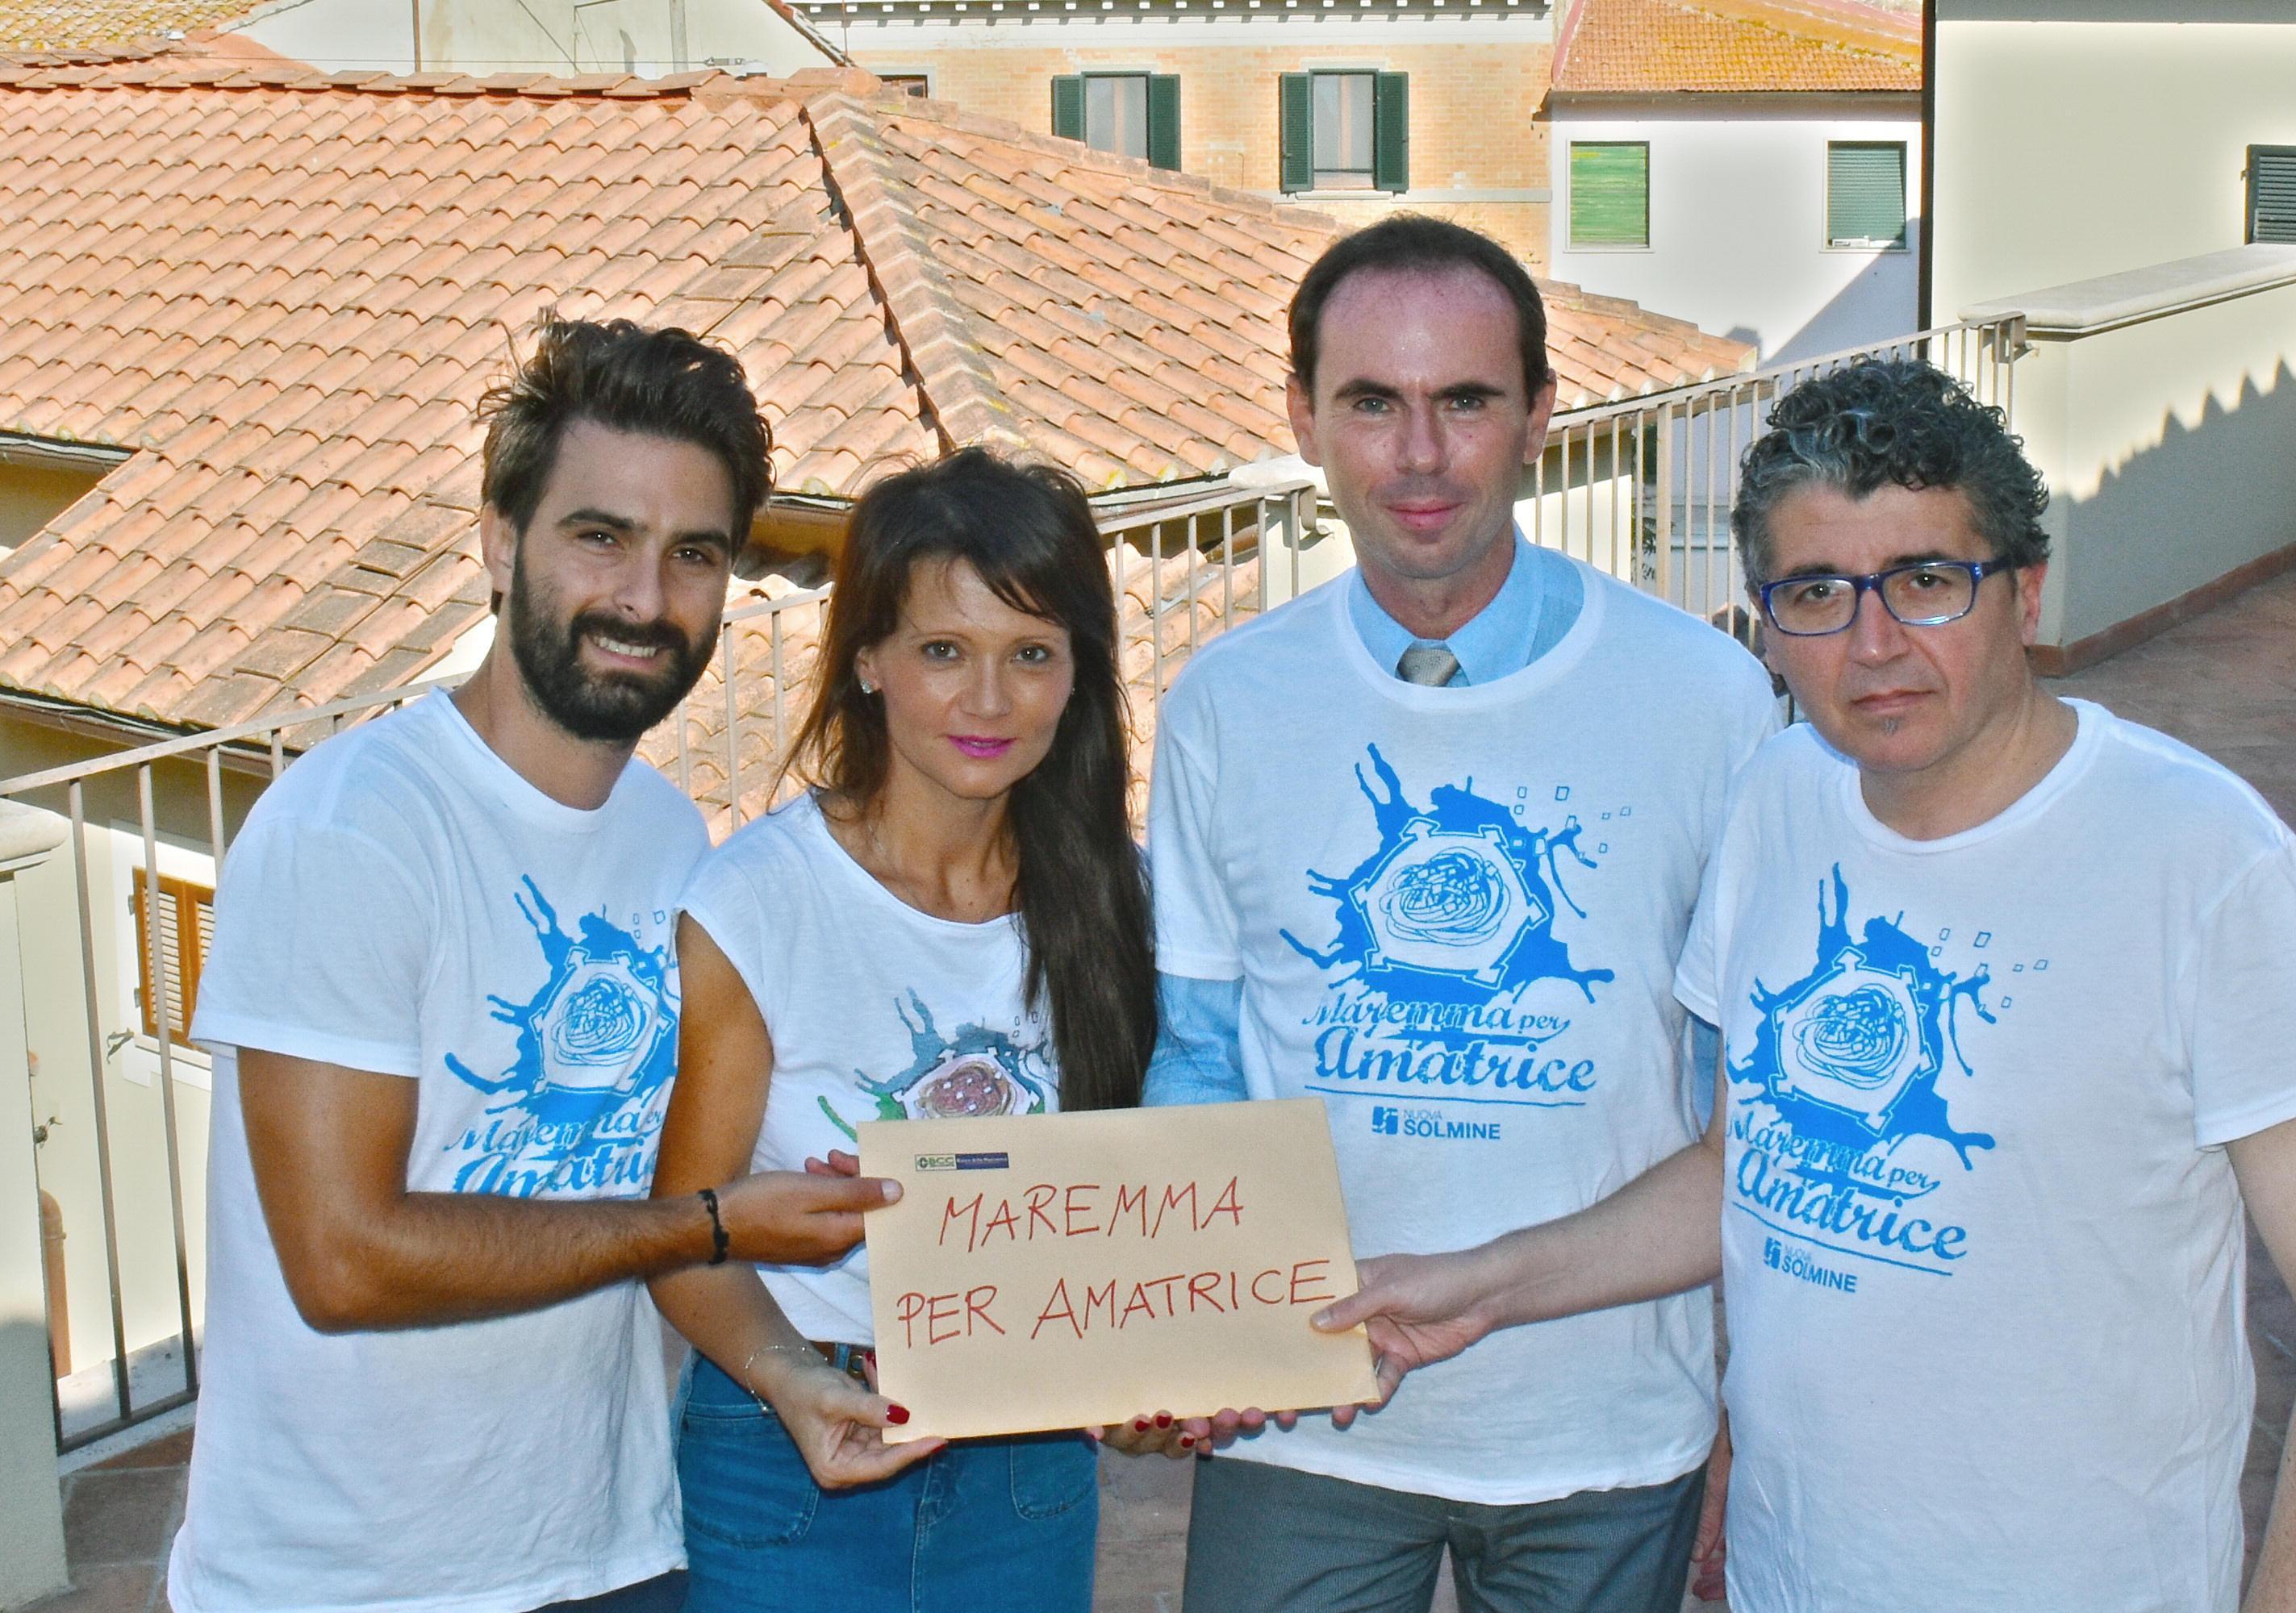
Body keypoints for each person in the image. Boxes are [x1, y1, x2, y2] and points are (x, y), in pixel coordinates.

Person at [1317, 358, 2296, 1612]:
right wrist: (1480, 1286)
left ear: (2026, 590)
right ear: (1768, 627)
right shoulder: (1778, 801)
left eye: (1928, 582)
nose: (1875, 642)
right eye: (1819, 594)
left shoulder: (2204, 860)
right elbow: (1750, 1169)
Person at [173, 317, 896, 1613]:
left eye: (694, 554)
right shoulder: (352, 833)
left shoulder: (676, 839)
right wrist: (714, 1223)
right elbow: (346, 1260)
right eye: (599, 536)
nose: (644, 598)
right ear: (502, 542)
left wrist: (795, 1312)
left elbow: (677, 1179)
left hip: (613, 1552)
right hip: (345, 1583)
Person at [1140, 215, 1778, 1611]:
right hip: (1297, 1421)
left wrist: (1752, 1395)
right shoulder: (1225, 707)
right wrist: (1183, 1326)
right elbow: (1194, 1059)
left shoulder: (1708, 700)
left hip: (1607, 1429)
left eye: (1465, 401)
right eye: (1372, 403)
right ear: (1303, 417)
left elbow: (1747, 1108)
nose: (1419, 456)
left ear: (1541, 414)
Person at [646, 447, 1159, 1611]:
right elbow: (682, 1234)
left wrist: (1164, 1364)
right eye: (944, 651)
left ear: (1079, 673)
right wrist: (789, 1382)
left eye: (1031, 654)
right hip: (786, 1445)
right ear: (868, 659)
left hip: (1031, 1459)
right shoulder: (756, 904)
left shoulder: (1126, 902)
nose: (989, 701)